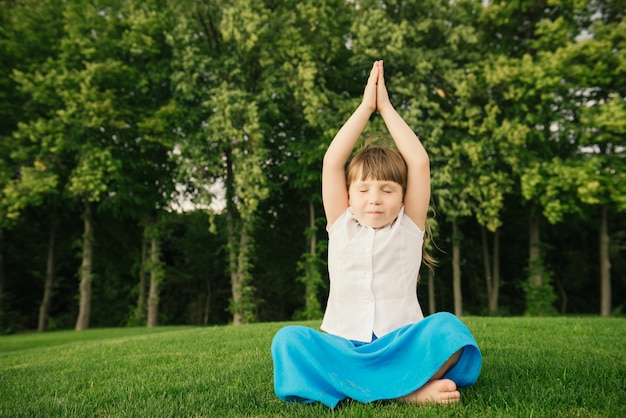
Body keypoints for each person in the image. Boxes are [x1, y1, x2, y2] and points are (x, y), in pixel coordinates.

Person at [271, 60, 482, 408]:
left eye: (387, 190)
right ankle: (406, 394)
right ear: (348, 196)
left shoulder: (408, 228)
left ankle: (358, 389)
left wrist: (385, 107)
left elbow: (419, 163)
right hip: (343, 345)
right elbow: (331, 163)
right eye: (364, 190)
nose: (375, 199)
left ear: (403, 198)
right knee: (287, 340)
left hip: (400, 343)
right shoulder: (341, 225)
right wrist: (365, 107)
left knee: (449, 329)